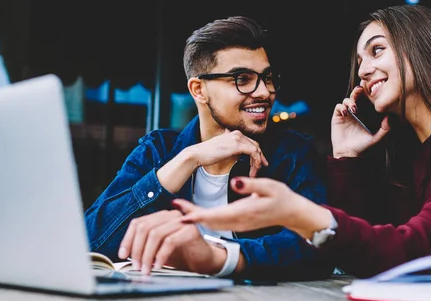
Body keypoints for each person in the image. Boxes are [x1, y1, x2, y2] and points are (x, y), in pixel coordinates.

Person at [174, 5, 431, 285]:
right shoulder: (406, 154)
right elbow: (360, 256)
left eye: (377, 50)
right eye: (360, 59)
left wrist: (305, 216)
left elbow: (415, 252)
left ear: (423, 50)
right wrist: (346, 158)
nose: (363, 70)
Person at [85, 16, 333, 280]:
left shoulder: (292, 154)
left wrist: (218, 257)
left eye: (267, 77)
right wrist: (189, 158)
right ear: (199, 90)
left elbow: (318, 245)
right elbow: (90, 243)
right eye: (242, 79)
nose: (264, 91)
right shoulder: (158, 150)